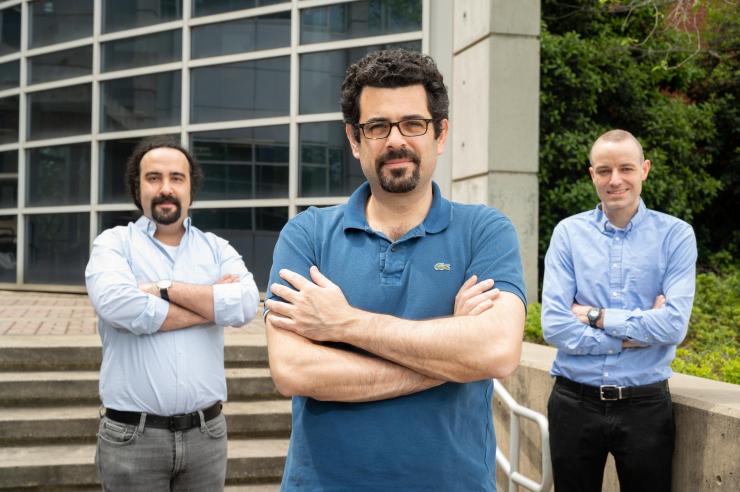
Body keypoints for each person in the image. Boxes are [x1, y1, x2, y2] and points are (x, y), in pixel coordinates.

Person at [264, 49, 527, 491]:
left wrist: (344, 324)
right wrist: (452, 356)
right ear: (354, 139)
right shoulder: (307, 233)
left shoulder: (485, 231)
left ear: (440, 134)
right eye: (377, 127)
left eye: (413, 124)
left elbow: (497, 350)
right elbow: (293, 370)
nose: (395, 141)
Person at [85, 137, 259, 491]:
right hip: (132, 437)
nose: (166, 188)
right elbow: (119, 305)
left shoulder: (216, 248)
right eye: (153, 178)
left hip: (206, 436)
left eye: (177, 178)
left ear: (191, 188)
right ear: (138, 188)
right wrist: (210, 306)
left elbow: (244, 304)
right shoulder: (113, 244)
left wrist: (162, 287)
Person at [541, 129, 697, 491]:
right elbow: (554, 326)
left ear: (644, 169)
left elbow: (673, 326)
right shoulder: (568, 234)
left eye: (625, 168)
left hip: (645, 405)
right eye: (604, 170)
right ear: (591, 174)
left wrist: (596, 316)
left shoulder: (676, 236)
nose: (615, 180)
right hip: (572, 402)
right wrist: (634, 336)